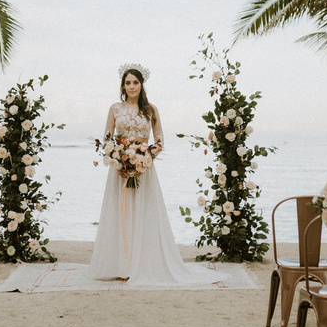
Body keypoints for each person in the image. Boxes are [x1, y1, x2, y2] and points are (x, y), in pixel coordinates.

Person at [88, 64, 225, 287]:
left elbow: (160, 141)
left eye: (135, 82)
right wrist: (118, 158)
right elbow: (106, 139)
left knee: (144, 214)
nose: (132, 86)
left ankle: (142, 264)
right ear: (123, 86)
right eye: (128, 82)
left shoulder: (151, 109)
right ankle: (121, 266)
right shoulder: (115, 108)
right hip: (119, 170)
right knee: (120, 214)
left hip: (144, 168)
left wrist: (143, 158)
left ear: (141, 85)